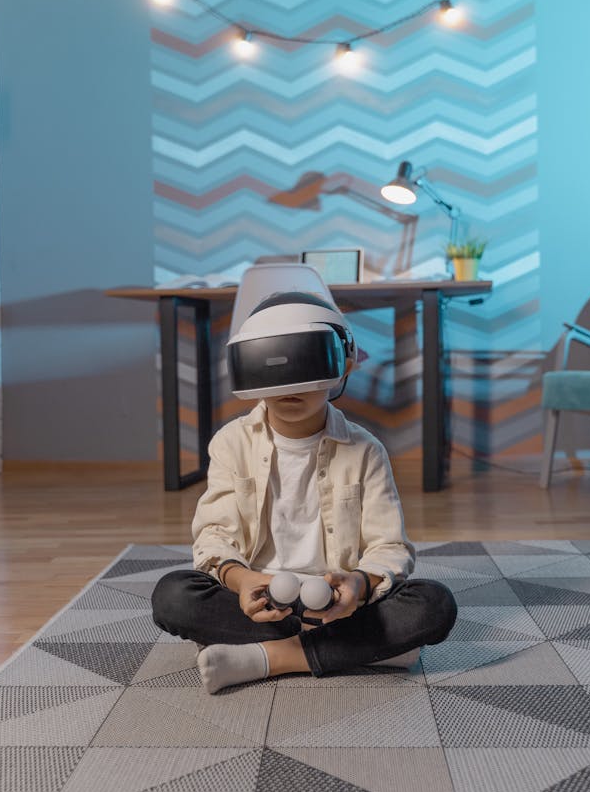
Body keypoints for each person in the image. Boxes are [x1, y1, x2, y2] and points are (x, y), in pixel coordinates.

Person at [152, 279, 457, 694]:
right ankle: (367, 649)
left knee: (433, 605)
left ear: (344, 362)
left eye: (304, 367)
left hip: (340, 605)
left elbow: (390, 547)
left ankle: (270, 658)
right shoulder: (230, 443)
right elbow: (215, 535)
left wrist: (359, 584)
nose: (290, 386)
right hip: (259, 602)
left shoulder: (366, 450)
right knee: (173, 596)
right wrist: (242, 582)